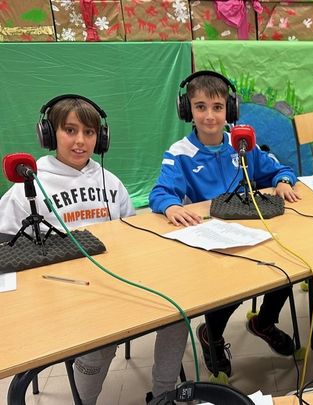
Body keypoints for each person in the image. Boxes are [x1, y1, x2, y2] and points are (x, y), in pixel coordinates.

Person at [0, 95, 188, 404]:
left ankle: (164, 394)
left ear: (100, 138)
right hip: (62, 296)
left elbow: (131, 235)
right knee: (101, 339)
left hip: (114, 282)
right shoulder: (28, 186)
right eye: (70, 130)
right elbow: (6, 246)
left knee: (178, 313)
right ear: (48, 134)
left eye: (89, 132)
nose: (80, 141)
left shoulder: (110, 182)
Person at [148, 71, 301, 377]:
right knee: (236, 282)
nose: (209, 116)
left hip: (250, 230)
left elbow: (278, 169)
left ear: (229, 109)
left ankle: (263, 322)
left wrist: (283, 180)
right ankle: (212, 334)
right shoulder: (180, 153)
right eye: (200, 107)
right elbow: (160, 192)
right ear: (186, 109)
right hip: (211, 243)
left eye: (217, 107)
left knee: (291, 265)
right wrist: (171, 205)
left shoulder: (242, 143)